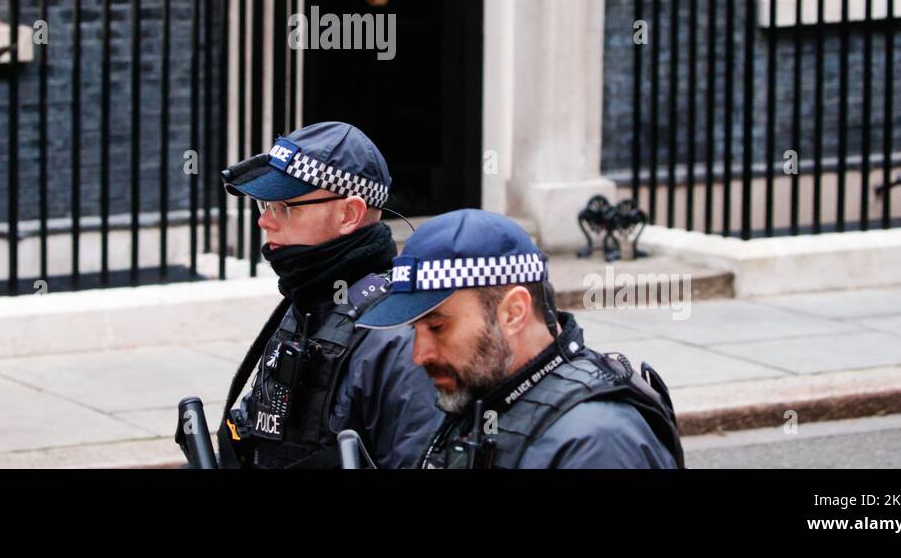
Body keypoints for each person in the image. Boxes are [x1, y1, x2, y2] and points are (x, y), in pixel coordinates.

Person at [357, 208, 685, 469]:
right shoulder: (487, 398)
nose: (419, 355)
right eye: (416, 330)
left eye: (438, 327)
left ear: (513, 312)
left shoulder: (598, 442)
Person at [214, 120, 441, 469]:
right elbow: (265, 425)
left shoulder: (395, 332)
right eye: (265, 206)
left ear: (349, 214)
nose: (265, 222)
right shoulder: (307, 299)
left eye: (285, 207)